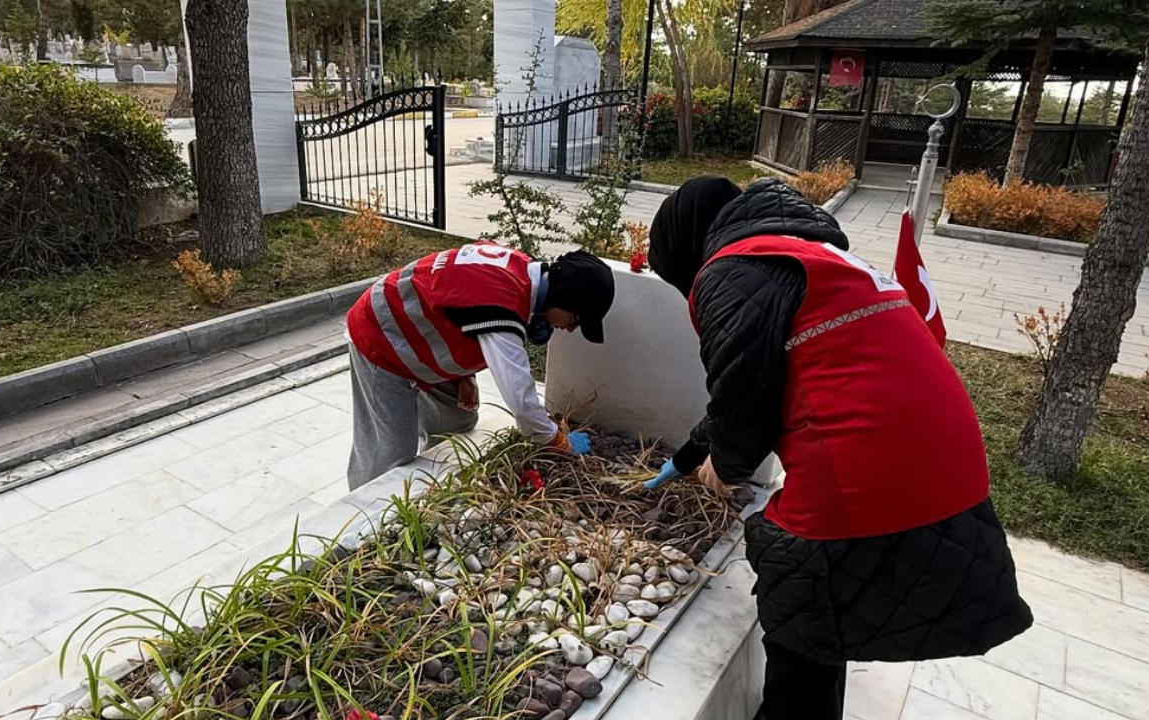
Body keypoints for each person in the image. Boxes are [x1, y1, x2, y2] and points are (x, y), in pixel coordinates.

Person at [645, 177, 1033, 720]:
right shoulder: (810, 254)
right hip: (948, 463)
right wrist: (688, 456)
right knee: (829, 606)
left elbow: (743, 399)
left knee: (801, 598)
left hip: (868, 463)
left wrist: (725, 466)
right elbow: (760, 381)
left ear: (687, 252)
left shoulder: (731, 269)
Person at [344, 242, 615, 489]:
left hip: (417, 332)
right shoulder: (501, 304)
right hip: (382, 338)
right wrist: (557, 440)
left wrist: (465, 373)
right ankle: (356, 528)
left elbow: (456, 302)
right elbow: (521, 401)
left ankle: (434, 488)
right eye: (576, 320)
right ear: (563, 296)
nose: (569, 329)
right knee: (389, 456)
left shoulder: (520, 269)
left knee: (457, 422)